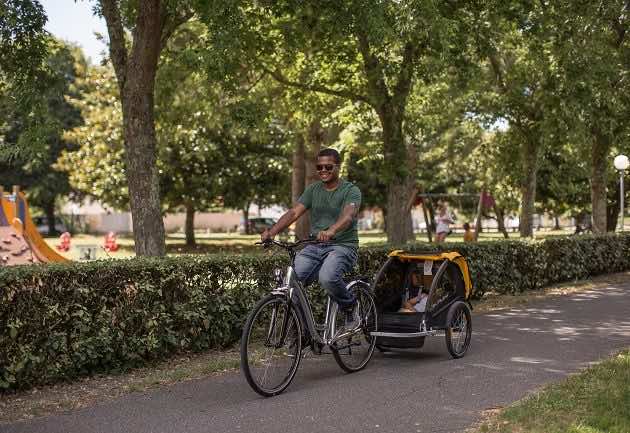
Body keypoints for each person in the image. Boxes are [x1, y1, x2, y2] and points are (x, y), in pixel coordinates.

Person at [261, 148, 362, 330]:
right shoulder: (313, 190)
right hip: (316, 246)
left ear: (338, 167)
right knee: (292, 281)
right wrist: (272, 232)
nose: (323, 170)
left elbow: (348, 216)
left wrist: (332, 230)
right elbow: (293, 213)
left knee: (328, 277)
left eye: (328, 167)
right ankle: (302, 330)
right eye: (319, 167)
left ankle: (350, 306)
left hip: (343, 246)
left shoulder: (351, 190)